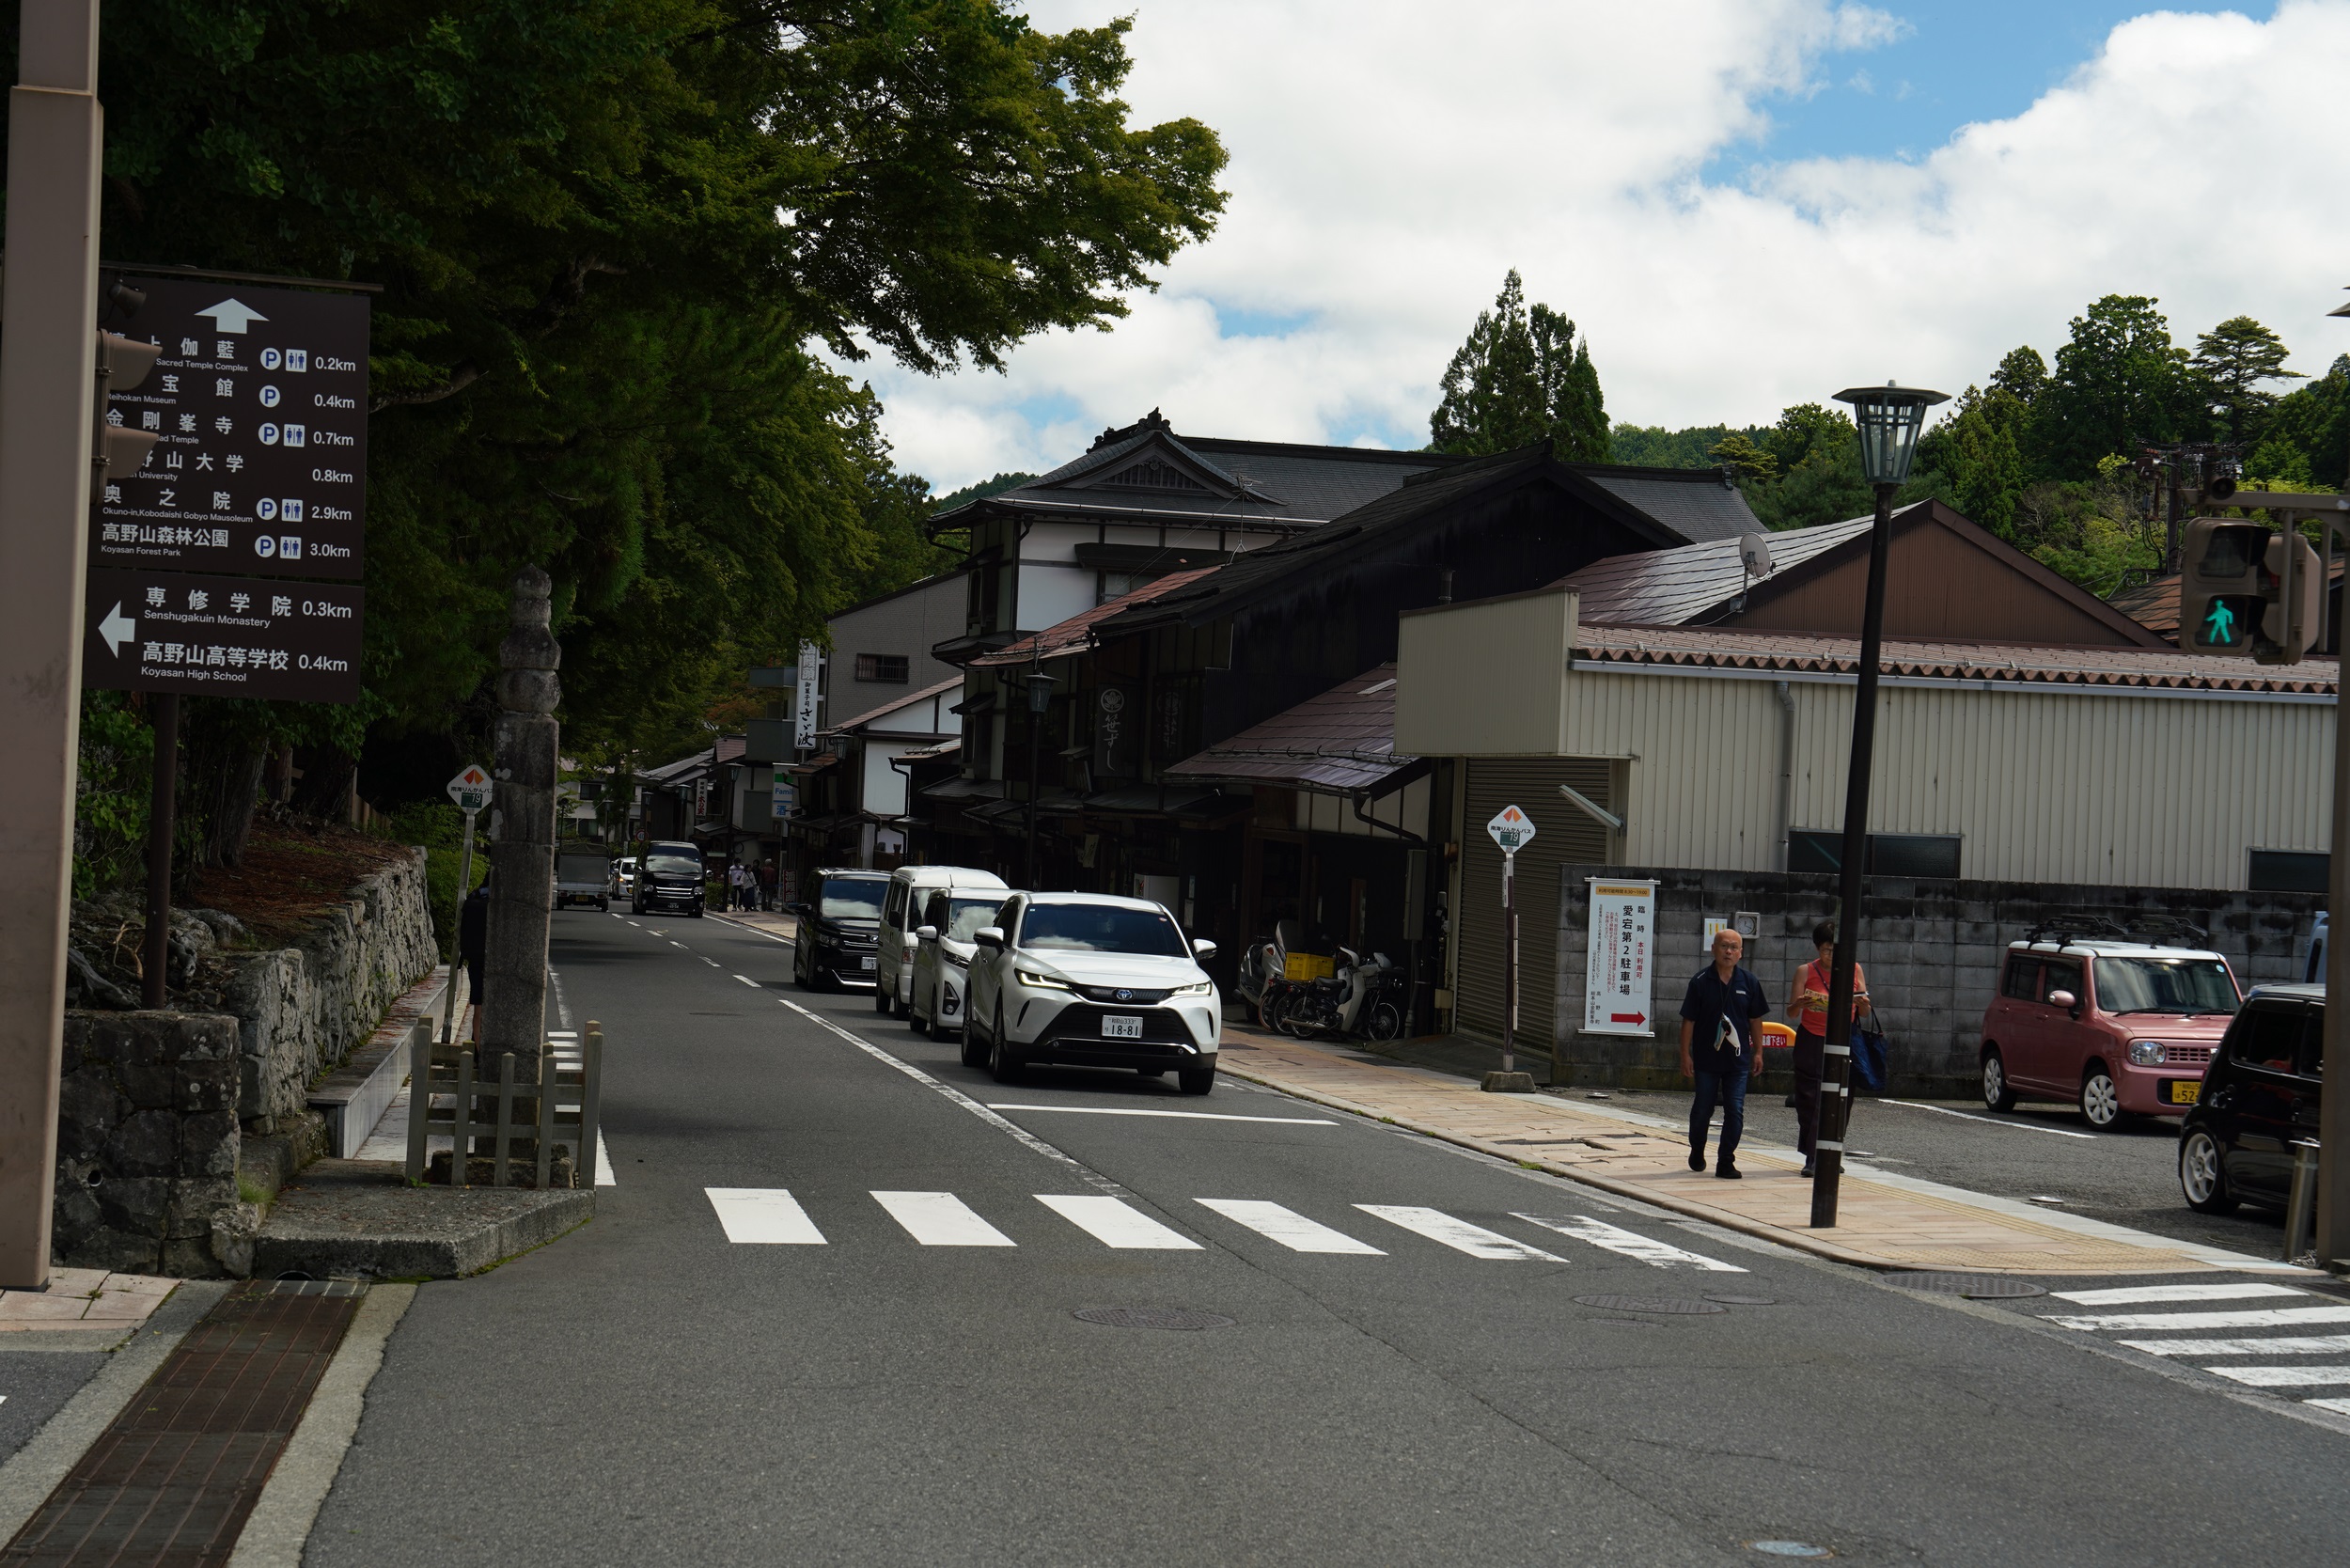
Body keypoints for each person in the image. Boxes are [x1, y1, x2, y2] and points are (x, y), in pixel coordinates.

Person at [1679, 927, 1769, 1180]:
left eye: (1734, 947)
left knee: (1735, 1109)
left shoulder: (1749, 982)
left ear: (1741, 953)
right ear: (1713, 949)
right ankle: (1697, 1148)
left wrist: (1759, 1052)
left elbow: (1755, 1019)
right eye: (1723, 946)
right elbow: (1688, 1021)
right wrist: (1685, 1054)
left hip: (1738, 1062)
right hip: (1706, 1060)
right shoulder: (1699, 982)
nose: (1728, 951)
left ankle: (1726, 1160)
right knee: (1702, 1109)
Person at [1789, 920, 1872, 1177]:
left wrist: (1863, 1003)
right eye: (1826, 949)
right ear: (1817, 948)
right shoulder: (1805, 971)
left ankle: (1831, 1152)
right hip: (1811, 1038)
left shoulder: (1854, 969)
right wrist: (1802, 1004)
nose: (1831, 955)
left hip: (1843, 1039)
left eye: (1836, 949)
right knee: (1810, 1097)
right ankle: (1813, 1155)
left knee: (1841, 1097)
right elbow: (1791, 1013)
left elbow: (1865, 1012)